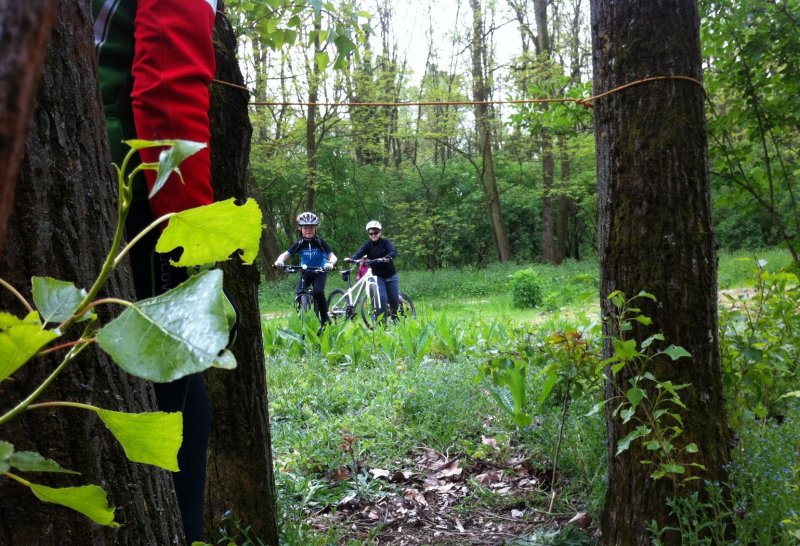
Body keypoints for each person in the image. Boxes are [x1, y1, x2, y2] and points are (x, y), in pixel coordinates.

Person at [92, 1, 219, 542]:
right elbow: (169, 92)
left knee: (185, 397)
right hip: (138, 188)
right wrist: (196, 236)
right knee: (170, 388)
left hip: (105, 173)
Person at [274, 212, 338, 325]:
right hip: (306, 272)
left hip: (320, 271)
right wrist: (280, 261)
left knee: (318, 292)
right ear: (301, 229)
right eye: (305, 227)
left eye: (311, 227)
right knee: (298, 292)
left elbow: (332, 256)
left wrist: (330, 264)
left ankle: (325, 319)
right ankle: (301, 321)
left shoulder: (319, 242)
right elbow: (285, 254)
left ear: (315, 228)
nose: (308, 230)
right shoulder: (299, 243)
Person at [348, 220, 400, 322]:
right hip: (377, 277)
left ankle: (394, 317)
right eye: (371, 233)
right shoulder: (368, 245)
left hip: (390, 276)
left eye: (375, 233)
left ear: (379, 232)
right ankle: (382, 323)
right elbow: (359, 253)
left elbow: (393, 251)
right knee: (381, 297)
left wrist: (388, 257)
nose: (373, 235)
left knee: (394, 299)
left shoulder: (386, 243)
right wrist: (352, 259)